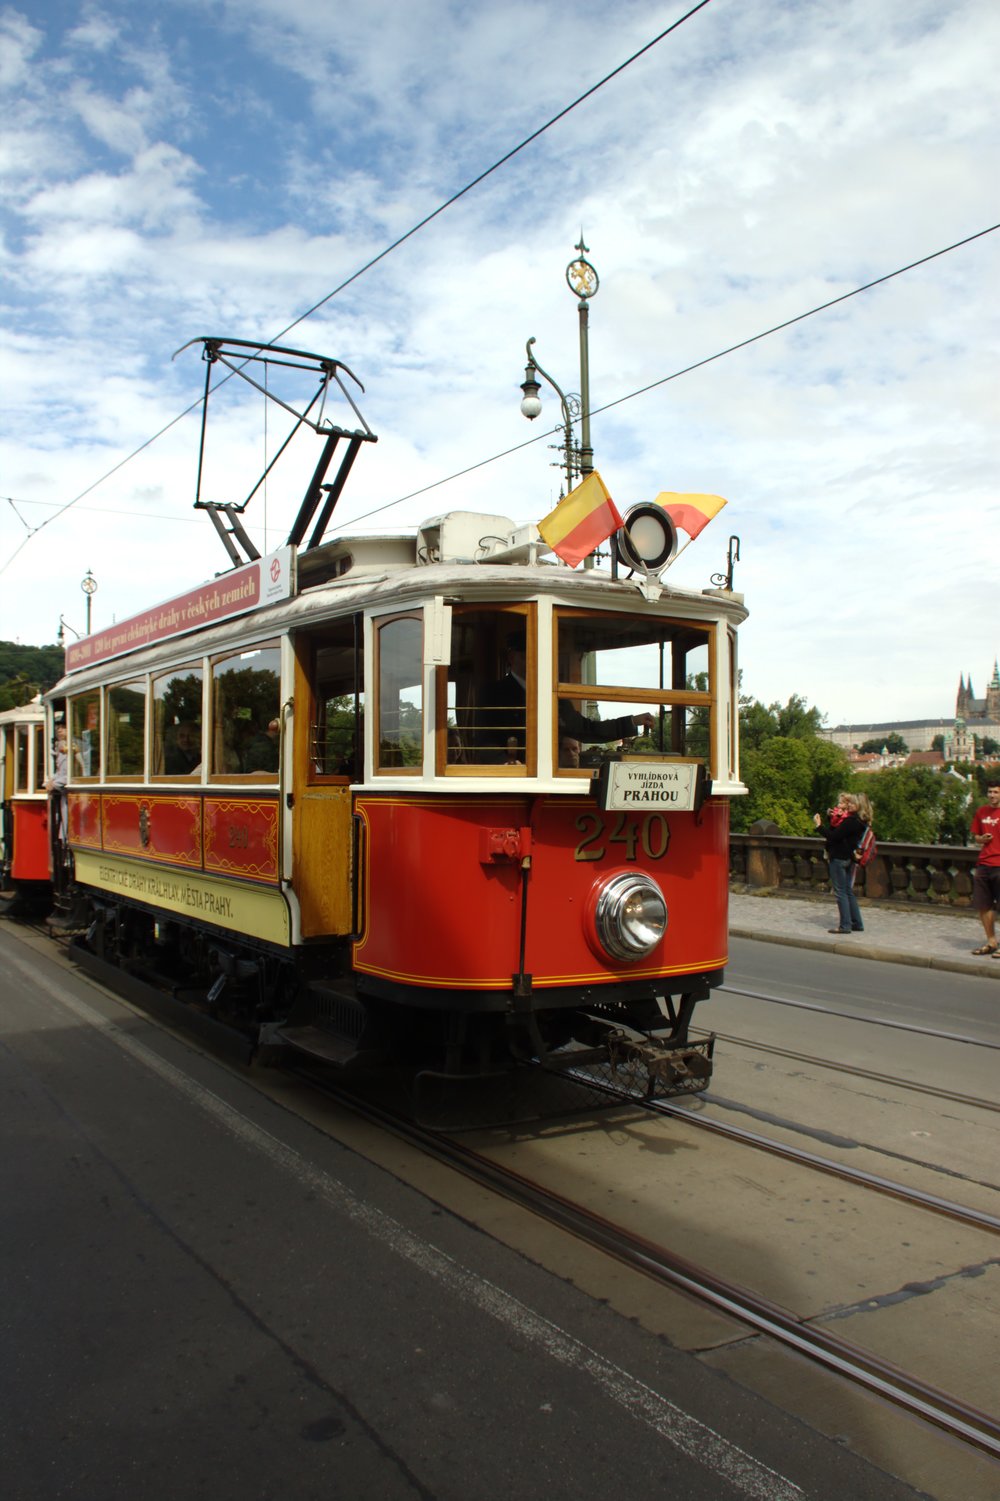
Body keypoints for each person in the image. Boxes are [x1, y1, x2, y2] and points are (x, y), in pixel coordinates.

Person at [480, 633, 654, 762]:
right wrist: (504, 763)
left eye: (538, 655)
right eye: (527, 654)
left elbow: (587, 729)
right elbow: (483, 740)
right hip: (510, 783)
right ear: (512, 657)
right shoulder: (493, 693)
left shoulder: (555, 696)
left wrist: (632, 721)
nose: (534, 660)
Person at [813, 792, 866, 934]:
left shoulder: (850, 822)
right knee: (848, 891)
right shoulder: (860, 821)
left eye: (849, 804)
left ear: (856, 806)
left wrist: (819, 826)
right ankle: (857, 923)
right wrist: (832, 818)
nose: (846, 806)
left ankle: (845, 925)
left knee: (841, 892)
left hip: (839, 857)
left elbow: (834, 836)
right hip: (849, 857)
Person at [969, 781, 1000, 956]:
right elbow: (976, 837)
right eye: (990, 792)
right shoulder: (981, 812)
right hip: (984, 863)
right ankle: (991, 941)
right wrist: (982, 839)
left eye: (995, 792)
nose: (992, 795)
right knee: (984, 905)